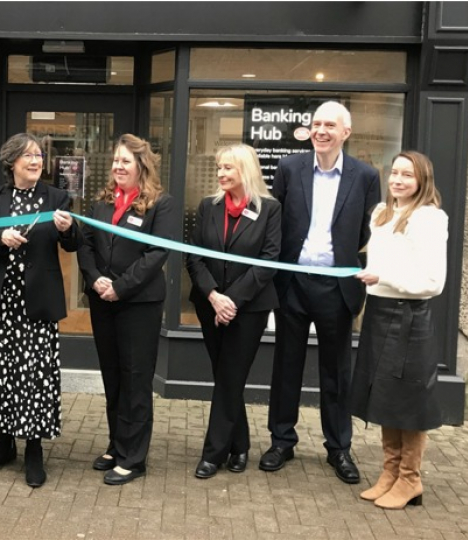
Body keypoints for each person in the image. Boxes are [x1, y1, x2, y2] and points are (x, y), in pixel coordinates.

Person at [262, 101, 381, 484]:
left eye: (330, 124)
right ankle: (282, 440)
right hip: (293, 284)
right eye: (316, 124)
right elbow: (275, 220)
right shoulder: (289, 167)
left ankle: (339, 448)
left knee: (336, 372)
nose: (321, 130)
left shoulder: (365, 176)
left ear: (346, 131)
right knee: (286, 366)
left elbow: (369, 231)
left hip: (337, 286)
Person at [0, 132, 79, 488]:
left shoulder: (57, 197)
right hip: (0, 302)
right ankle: (4, 444)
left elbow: (73, 243)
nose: (36, 161)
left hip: (37, 302)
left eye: (39, 156)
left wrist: (68, 228)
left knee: (35, 376)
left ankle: (33, 448)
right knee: (1, 373)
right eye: (28, 156)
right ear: (11, 162)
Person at [77, 133, 177, 486]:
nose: (118, 167)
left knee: (135, 378)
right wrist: (96, 280)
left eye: (125, 161)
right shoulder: (103, 201)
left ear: (141, 165)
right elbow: (86, 243)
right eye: (115, 161)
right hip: (103, 301)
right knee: (113, 377)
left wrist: (120, 287)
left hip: (138, 304)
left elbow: (156, 254)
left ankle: (134, 458)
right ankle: (117, 445)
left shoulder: (160, 205)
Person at [351, 151, 447, 509]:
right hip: (379, 311)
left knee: (409, 399)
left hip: (410, 316)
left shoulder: (430, 219)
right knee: (384, 395)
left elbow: (433, 282)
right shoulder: (382, 213)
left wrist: (383, 277)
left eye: (407, 175)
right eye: (394, 172)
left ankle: (410, 479)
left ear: (422, 180)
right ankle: (389, 473)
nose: (398, 180)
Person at [186, 144, 281, 479]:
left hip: (249, 309)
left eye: (228, 168)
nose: (221, 174)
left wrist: (232, 301)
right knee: (226, 377)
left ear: (246, 170)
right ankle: (239, 445)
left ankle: (214, 453)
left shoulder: (269, 209)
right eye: (219, 168)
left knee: (229, 377)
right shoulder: (208, 207)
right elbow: (193, 255)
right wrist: (213, 295)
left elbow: (268, 262)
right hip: (210, 305)